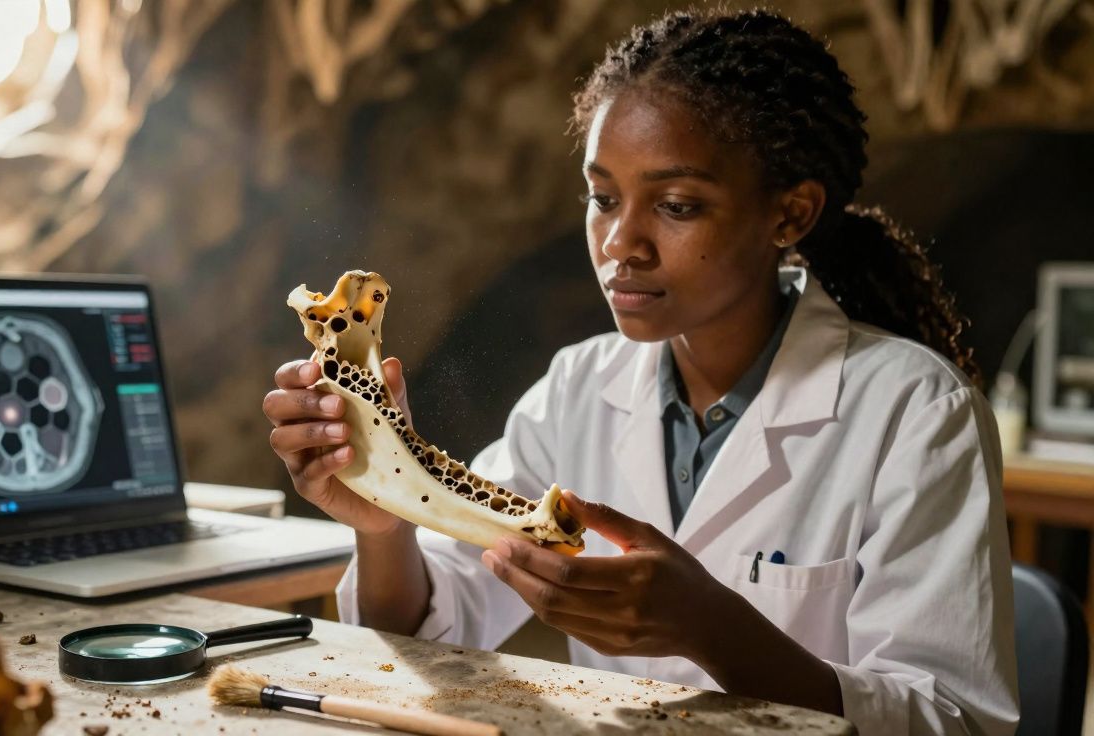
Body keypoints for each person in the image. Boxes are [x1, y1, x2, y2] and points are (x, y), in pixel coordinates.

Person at [263, 8, 1018, 735]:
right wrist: (385, 513)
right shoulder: (579, 389)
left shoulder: (917, 413)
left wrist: (712, 628)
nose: (621, 243)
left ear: (789, 216)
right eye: (602, 198)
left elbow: (952, 721)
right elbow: (427, 631)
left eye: (679, 205)